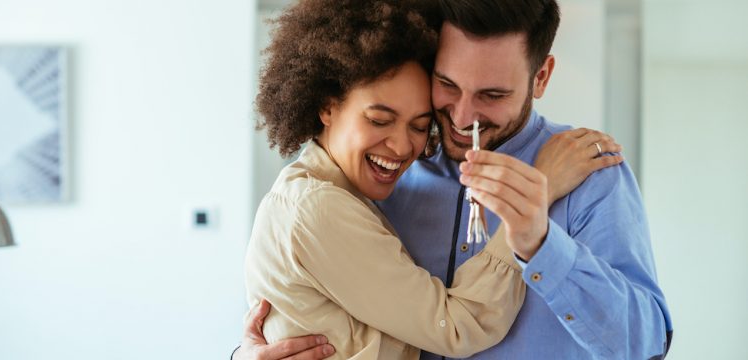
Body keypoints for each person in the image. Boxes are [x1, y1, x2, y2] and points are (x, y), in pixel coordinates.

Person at [237, 0, 627, 359]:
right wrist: (536, 195)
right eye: (448, 86)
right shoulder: (323, 203)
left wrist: (545, 243)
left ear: (540, 77)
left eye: (420, 126)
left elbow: (641, 341)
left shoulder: (590, 173)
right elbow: (458, 327)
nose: (461, 117)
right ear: (327, 106)